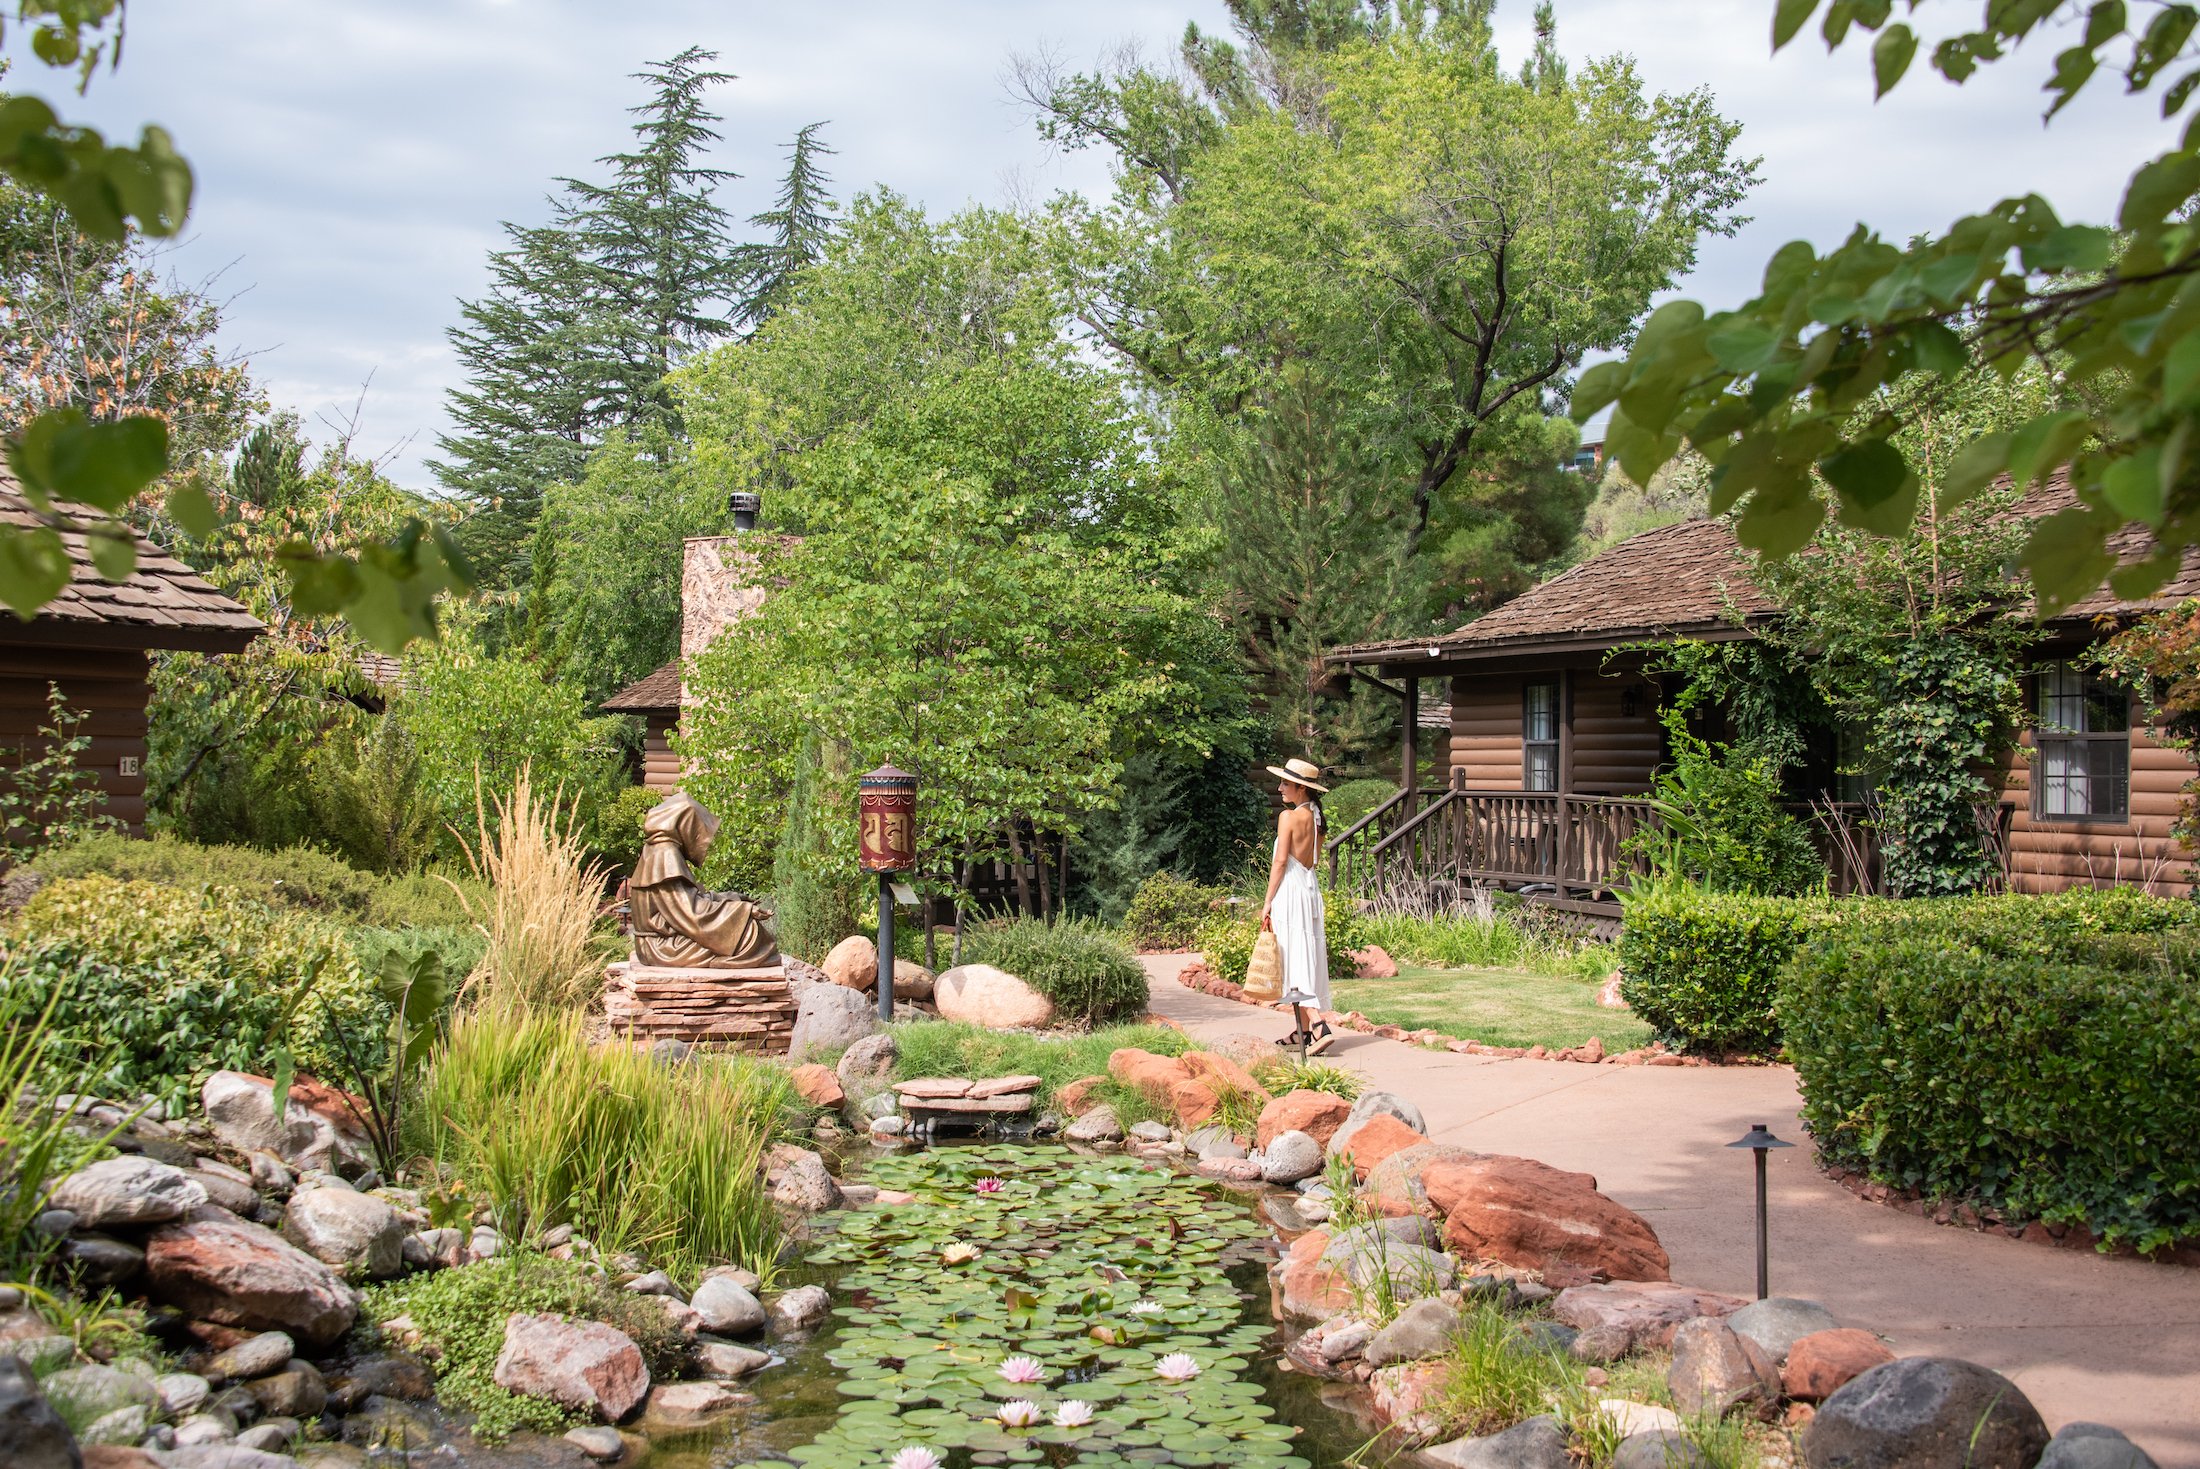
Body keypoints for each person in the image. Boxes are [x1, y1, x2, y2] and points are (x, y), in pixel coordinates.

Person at [629, 791, 780, 968]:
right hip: (664, 948)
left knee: (748, 935)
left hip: (659, 945)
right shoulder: (665, 854)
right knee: (751, 935)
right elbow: (692, 915)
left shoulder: (657, 850)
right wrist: (744, 911)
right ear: (687, 826)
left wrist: (731, 898)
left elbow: (686, 901)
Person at [1260, 756, 1334, 1054]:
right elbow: (1314, 859)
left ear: (1301, 789)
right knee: (1306, 953)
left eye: (1285, 783)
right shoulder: (1316, 819)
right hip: (1309, 889)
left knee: (1293, 955)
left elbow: (1279, 863)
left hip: (1291, 890)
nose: (1280, 788)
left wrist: (1266, 903)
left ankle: (1318, 1024)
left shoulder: (1288, 818)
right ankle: (1302, 1032)